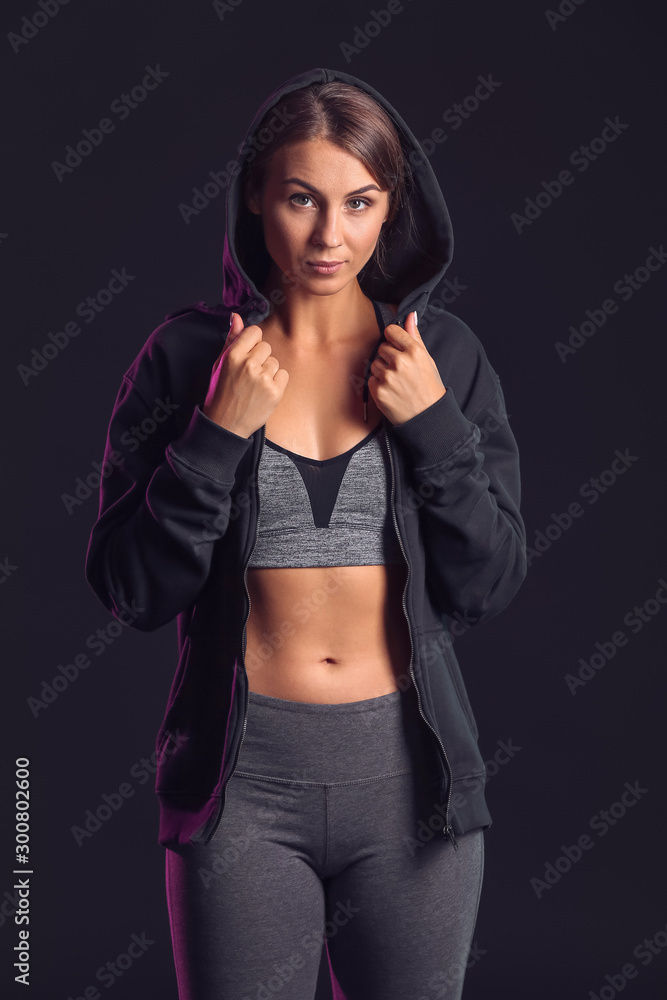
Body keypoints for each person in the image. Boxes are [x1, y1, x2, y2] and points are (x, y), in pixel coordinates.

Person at [85, 67, 526, 1000]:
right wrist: (214, 436)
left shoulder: (441, 359)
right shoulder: (187, 359)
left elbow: (488, 584)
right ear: (256, 196)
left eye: (358, 202)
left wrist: (435, 428)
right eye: (301, 198)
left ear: (390, 206)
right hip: (238, 793)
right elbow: (131, 589)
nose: (331, 236)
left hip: (412, 794)